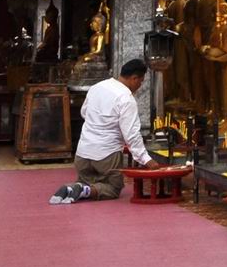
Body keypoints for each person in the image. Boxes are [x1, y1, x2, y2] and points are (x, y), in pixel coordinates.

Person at [51, 59, 153, 204]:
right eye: (140, 81)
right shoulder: (126, 98)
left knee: (86, 180)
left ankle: (73, 188)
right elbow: (132, 135)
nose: (140, 86)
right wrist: (146, 160)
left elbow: (84, 112)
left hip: (82, 155)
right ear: (134, 78)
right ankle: (84, 190)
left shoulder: (97, 87)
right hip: (106, 156)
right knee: (113, 188)